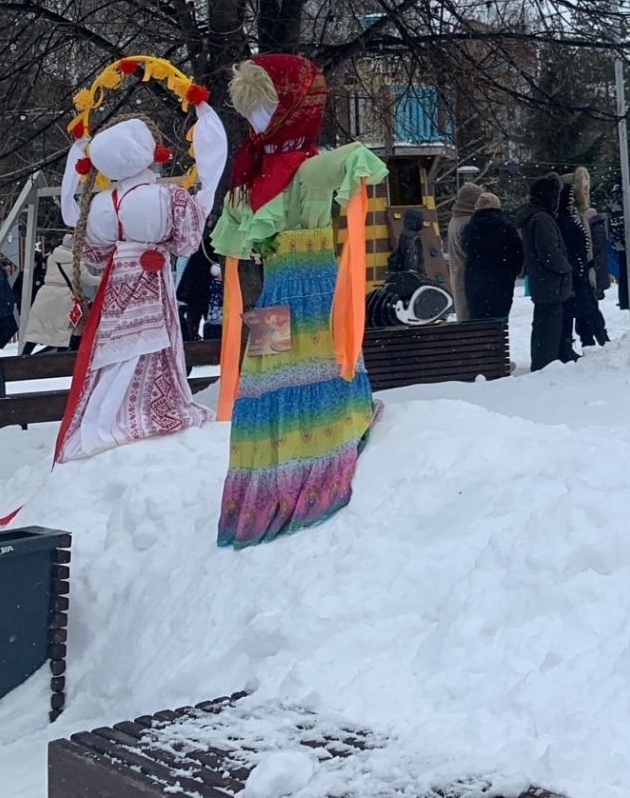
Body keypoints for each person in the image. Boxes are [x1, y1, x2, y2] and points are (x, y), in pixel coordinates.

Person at [211, 55, 384, 548]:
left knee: (289, 375)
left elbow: (356, 160)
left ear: (291, 107)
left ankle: (296, 460)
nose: (256, 120)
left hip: (301, 287)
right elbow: (356, 161)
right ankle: (277, 472)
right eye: (252, 110)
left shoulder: (298, 169)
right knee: (269, 382)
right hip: (289, 287)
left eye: (265, 107)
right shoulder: (256, 171)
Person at [53, 110, 225, 464]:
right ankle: (151, 408)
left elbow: (94, 255)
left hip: (117, 281)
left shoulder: (98, 206)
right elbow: (188, 243)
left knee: (115, 343)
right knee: (154, 339)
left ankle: (109, 411)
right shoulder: (168, 197)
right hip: (151, 277)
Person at [518, 174, 576, 370]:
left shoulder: (533, 216)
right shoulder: (542, 219)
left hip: (543, 282)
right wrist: (566, 268)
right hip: (551, 282)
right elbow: (548, 252)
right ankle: (547, 366)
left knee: (544, 325)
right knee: (549, 327)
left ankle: (547, 361)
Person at [21, 232, 91, 355]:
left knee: (37, 329)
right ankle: (60, 358)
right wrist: (104, 278)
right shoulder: (77, 263)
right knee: (62, 331)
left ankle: (24, 356)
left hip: (45, 293)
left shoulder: (51, 259)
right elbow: (88, 279)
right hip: (64, 297)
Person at [563, 169, 609, 348]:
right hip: (582, 268)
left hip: (587, 268)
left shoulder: (584, 214)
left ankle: (593, 339)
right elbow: (589, 244)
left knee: (587, 307)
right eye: (583, 190)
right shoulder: (574, 216)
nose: (586, 194)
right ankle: (595, 339)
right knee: (587, 307)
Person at [460, 191, 522, 321]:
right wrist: (511, 272)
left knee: (478, 322)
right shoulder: (506, 227)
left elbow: (465, 250)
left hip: (475, 282)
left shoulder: (469, 228)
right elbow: (518, 254)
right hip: (501, 281)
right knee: (498, 321)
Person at [445, 182, 485, 323]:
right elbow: (476, 253)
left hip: (458, 275)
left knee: (465, 319)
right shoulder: (468, 222)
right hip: (469, 279)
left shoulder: (455, 219)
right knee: (473, 323)